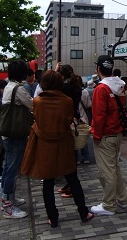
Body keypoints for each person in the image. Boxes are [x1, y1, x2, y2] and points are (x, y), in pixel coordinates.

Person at [21, 70, 93, 227]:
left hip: (44, 145)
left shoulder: (37, 101)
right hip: (64, 144)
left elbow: (37, 120)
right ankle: (83, 212)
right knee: (72, 178)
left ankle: (52, 218)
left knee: (48, 183)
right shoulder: (67, 101)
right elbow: (68, 120)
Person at [90, 55, 127, 216]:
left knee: (107, 171)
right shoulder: (120, 86)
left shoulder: (101, 89)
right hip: (117, 132)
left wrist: (96, 136)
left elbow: (99, 116)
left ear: (98, 69)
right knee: (115, 168)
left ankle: (109, 205)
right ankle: (122, 199)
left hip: (105, 134)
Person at [1, 59, 33, 219]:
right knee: (12, 169)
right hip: (15, 134)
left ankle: (9, 198)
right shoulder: (18, 89)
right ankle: (8, 206)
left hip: (8, 133)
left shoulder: (8, 86)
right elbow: (32, 105)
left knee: (8, 167)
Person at [56, 63, 82, 197]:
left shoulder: (63, 88)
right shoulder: (76, 86)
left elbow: (49, 87)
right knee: (72, 154)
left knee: (68, 156)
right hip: (74, 120)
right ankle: (69, 184)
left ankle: (72, 186)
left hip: (65, 122)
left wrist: (55, 72)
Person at [76, 75, 91, 164]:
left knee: (75, 138)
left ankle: (76, 158)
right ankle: (85, 157)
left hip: (75, 118)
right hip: (84, 117)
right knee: (84, 138)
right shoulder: (85, 92)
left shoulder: (71, 92)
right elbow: (89, 105)